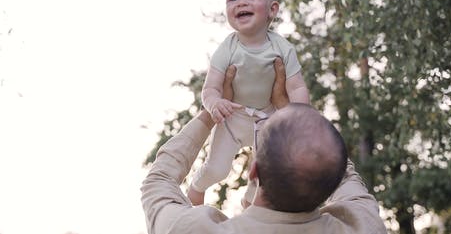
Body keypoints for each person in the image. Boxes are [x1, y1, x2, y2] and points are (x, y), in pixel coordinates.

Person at [141, 60, 387, 234]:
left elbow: (158, 181)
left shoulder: (189, 230)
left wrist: (211, 112)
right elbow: (338, 169)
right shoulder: (364, 225)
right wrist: (290, 109)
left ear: (254, 171)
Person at [188, 0, 310, 205]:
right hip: (232, 118)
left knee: (266, 173)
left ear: (272, 9)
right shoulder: (228, 48)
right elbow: (210, 88)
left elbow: (296, 87)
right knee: (217, 169)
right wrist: (215, 103)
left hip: (267, 118)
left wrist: (301, 115)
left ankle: (249, 201)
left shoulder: (283, 48)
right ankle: (196, 189)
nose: (240, 3)